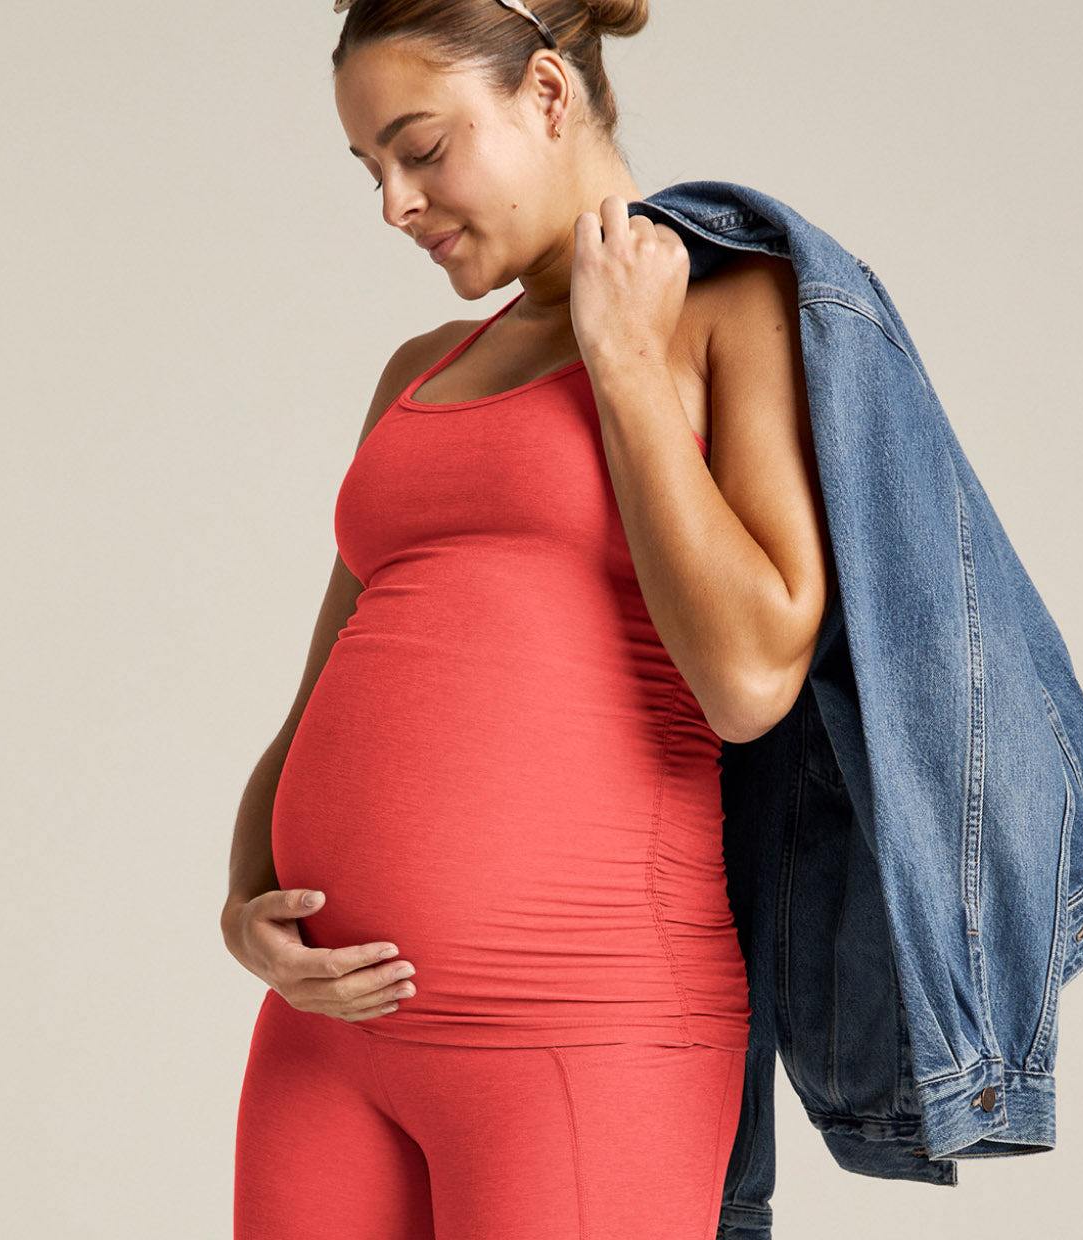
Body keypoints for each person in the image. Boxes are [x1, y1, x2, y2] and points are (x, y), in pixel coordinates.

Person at [220, 2, 834, 1236]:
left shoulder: (733, 311)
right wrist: (248, 906)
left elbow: (752, 678)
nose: (394, 203)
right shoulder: (419, 369)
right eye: (370, 168)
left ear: (547, 95)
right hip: (324, 1037)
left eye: (420, 149)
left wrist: (624, 360)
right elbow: (322, 691)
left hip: (578, 1027)